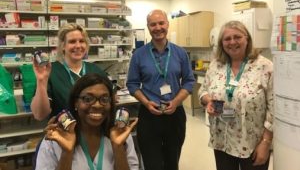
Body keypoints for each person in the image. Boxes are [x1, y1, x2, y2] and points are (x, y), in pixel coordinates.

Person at [198, 20, 273, 170]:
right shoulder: (216, 65)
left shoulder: (264, 66)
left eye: (237, 37)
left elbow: (274, 109)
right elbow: (203, 91)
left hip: (252, 144)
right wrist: (208, 101)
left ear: (247, 39)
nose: (232, 42)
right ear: (222, 43)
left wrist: (265, 143)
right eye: (227, 39)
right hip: (221, 140)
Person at [126, 9, 195, 170]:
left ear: (167, 24)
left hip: (175, 114)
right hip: (149, 113)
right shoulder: (139, 55)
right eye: (153, 24)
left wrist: (176, 102)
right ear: (148, 27)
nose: (158, 28)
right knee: (152, 162)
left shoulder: (180, 53)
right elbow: (132, 84)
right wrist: (146, 102)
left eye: (161, 23)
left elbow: (189, 81)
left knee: (172, 160)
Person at [35, 73, 139, 170]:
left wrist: (118, 147)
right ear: (76, 103)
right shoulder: (55, 139)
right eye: (88, 99)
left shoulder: (120, 135)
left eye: (104, 99)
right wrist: (67, 153)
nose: (97, 105)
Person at [31, 23, 107, 120]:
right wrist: (41, 81)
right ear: (63, 46)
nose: (78, 45)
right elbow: (39, 115)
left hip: (92, 130)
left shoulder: (96, 70)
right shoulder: (50, 72)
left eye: (82, 41)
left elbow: (108, 102)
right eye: (72, 41)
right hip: (63, 133)